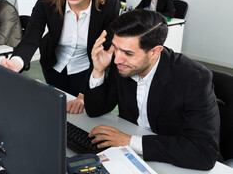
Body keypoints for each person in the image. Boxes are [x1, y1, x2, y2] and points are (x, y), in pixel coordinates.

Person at [82, 9, 220, 170]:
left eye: (128, 53)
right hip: (131, 157)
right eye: (115, 48)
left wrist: (130, 141)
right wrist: (98, 70)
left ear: (155, 52)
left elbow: (204, 153)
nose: (117, 58)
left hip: (174, 161)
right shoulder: (122, 63)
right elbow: (95, 109)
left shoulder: (194, 79)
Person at [1, 0, 120, 110]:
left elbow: (104, 51)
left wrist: (84, 94)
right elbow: (31, 37)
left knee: (83, 112)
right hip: (53, 64)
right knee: (58, 109)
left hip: (85, 68)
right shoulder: (46, 0)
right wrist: (16, 62)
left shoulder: (109, 5)